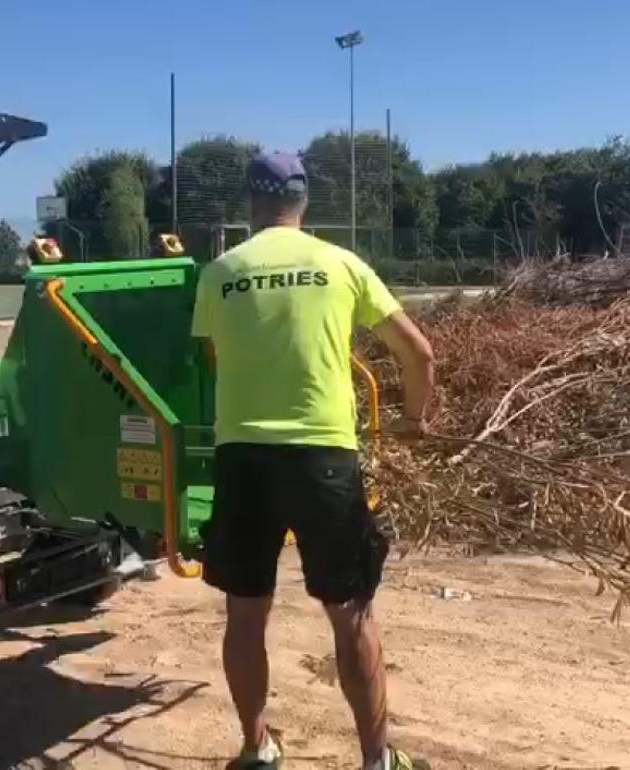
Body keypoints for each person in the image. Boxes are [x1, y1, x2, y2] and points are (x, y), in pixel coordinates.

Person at [191, 152, 435, 770]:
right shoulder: (341, 264)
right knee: (351, 614)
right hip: (324, 457)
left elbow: (214, 359)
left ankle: (257, 748)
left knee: (245, 615)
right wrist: (411, 422)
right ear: (304, 202)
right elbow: (419, 355)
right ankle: (377, 760)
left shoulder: (220, 272)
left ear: (251, 201)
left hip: (243, 457)